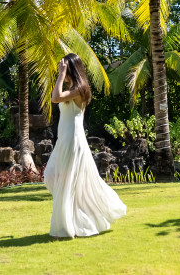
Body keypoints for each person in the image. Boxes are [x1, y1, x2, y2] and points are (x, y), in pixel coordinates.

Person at [43, 53, 127, 238]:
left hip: (73, 140)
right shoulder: (73, 88)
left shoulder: (80, 89)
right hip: (65, 139)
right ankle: (73, 221)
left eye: (64, 67)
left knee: (65, 182)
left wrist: (60, 74)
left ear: (71, 68)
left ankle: (65, 227)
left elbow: (55, 98)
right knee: (51, 176)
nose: (61, 69)